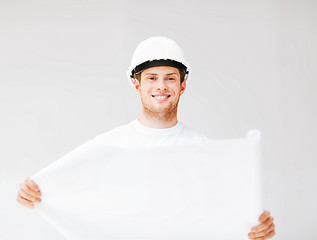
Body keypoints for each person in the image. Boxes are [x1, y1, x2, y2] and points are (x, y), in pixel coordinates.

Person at [17, 36, 276, 240]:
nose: (161, 86)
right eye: (152, 78)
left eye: (170, 78)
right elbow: (75, 197)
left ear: (182, 86)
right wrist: (37, 194)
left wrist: (255, 227)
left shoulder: (204, 152)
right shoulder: (109, 146)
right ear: (137, 85)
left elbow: (228, 213)